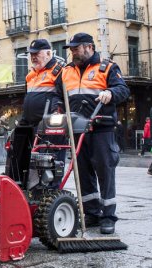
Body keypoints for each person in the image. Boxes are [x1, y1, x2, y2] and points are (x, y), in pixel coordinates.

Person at [54, 33, 130, 234]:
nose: (72, 52)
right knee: (83, 174)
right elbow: (57, 95)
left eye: (76, 48)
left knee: (105, 172)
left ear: (89, 47)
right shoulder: (66, 71)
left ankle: (108, 216)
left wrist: (110, 93)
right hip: (77, 130)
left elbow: (123, 90)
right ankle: (92, 213)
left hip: (101, 129)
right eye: (71, 49)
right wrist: (57, 108)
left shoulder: (107, 68)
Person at [21, 39, 66, 188]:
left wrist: (54, 114)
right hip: (32, 126)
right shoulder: (31, 75)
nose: (33, 57)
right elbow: (28, 99)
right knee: (31, 162)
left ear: (48, 53)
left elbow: (61, 98)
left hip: (50, 127)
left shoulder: (59, 71)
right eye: (31, 54)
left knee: (50, 162)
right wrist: (23, 120)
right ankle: (34, 191)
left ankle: (52, 192)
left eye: (36, 54)